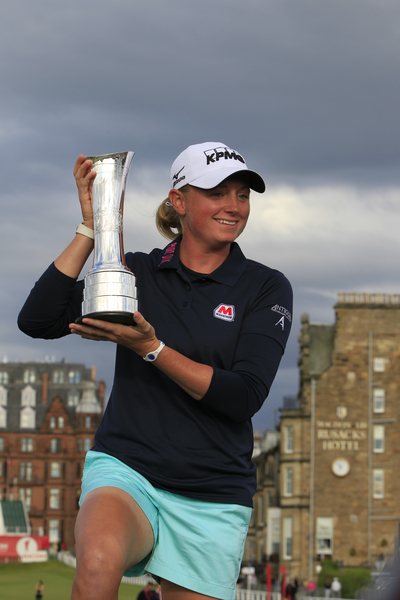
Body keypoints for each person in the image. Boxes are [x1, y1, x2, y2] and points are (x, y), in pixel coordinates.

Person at [18, 142, 293, 600]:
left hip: (212, 491)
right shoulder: (138, 272)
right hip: (129, 470)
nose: (233, 206)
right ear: (179, 201)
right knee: (98, 561)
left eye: (242, 195)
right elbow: (39, 320)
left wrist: (151, 348)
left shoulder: (265, 286)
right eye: (217, 192)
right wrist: (93, 226)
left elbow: (244, 395)